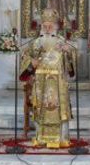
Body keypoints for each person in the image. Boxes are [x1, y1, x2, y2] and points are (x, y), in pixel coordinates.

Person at [20, 9, 75, 148]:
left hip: (58, 82)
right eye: (45, 25)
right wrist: (31, 62)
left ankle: (61, 138)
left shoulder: (62, 41)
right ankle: (41, 137)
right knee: (42, 108)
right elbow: (25, 57)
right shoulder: (36, 42)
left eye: (50, 25)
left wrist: (69, 53)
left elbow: (71, 65)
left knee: (59, 108)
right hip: (40, 82)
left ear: (56, 26)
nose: (47, 27)